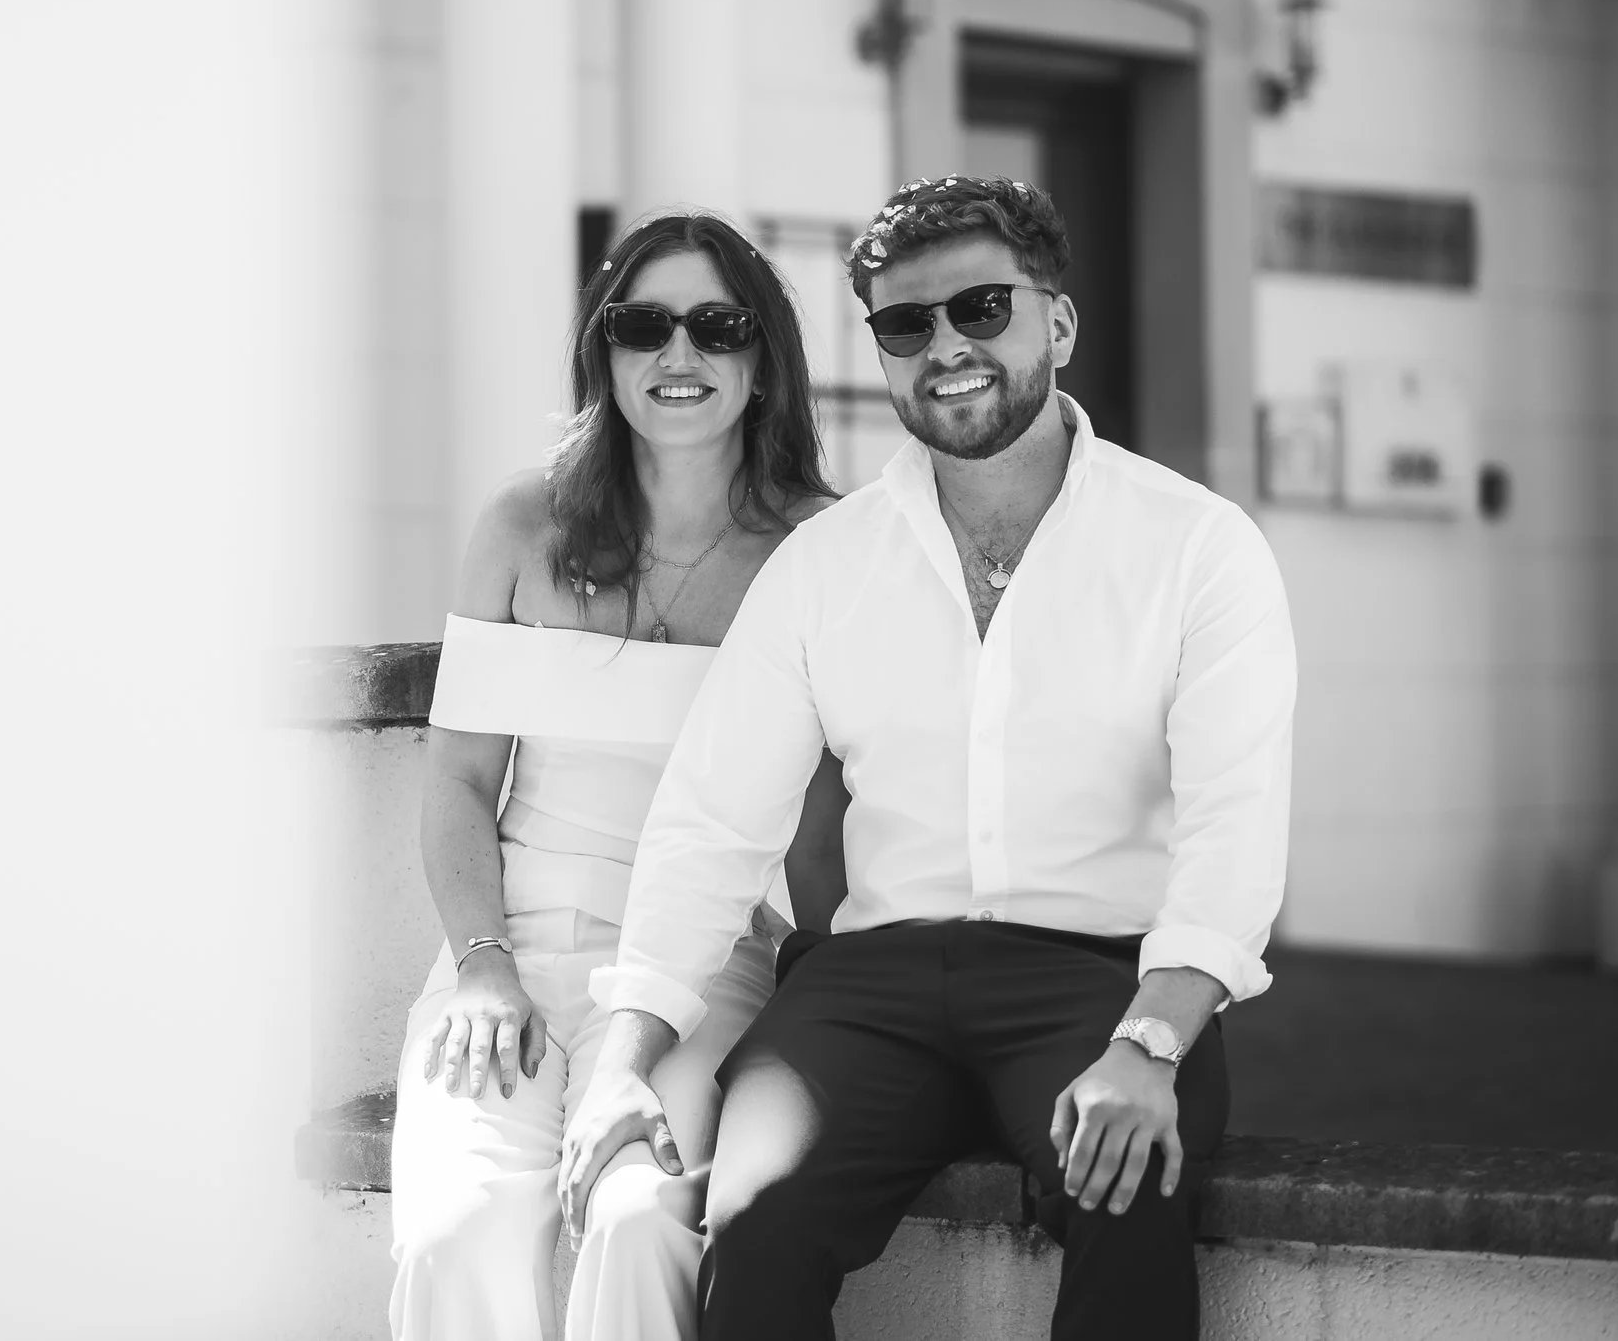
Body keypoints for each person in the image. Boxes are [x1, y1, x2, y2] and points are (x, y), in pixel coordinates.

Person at [560, 175, 1297, 1340]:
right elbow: (711, 823)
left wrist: (1149, 1041)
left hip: (1097, 979)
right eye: (907, 324)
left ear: (1056, 322)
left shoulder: (1197, 548)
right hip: (867, 991)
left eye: (981, 308)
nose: (946, 345)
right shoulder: (823, 564)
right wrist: (623, 1059)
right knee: (751, 1223)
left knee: (1130, 1190)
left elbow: (1234, 824)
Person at [389, 211, 845, 1341]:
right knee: (458, 1229)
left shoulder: (820, 551)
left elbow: (832, 820)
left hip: (701, 965)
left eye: (715, 324)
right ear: (604, 349)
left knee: (640, 1214)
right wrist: (481, 965)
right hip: (511, 946)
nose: (676, 355)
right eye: (643, 324)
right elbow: (455, 782)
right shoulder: (522, 524)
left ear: (762, 358)